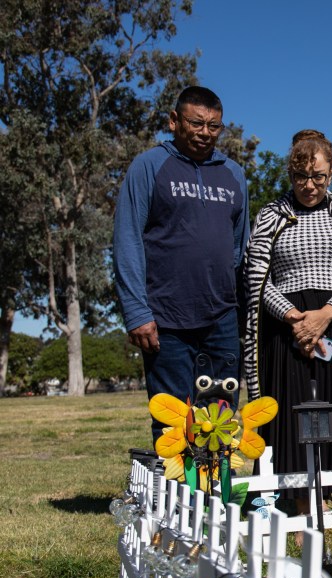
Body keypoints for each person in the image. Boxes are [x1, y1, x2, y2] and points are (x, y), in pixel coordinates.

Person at [243, 129, 332, 503]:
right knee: (290, 415)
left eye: (317, 176)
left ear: (331, 173)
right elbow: (256, 278)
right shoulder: (271, 216)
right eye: (301, 176)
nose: (309, 185)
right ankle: (293, 504)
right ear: (290, 174)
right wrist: (293, 317)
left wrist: (324, 314)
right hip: (286, 332)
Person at [113, 86, 249, 442]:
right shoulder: (149, 166)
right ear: (174, 121)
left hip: (221, 318)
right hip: (165, 318)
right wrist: (136, 312)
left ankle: (216, 494)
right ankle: (178, 496)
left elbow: (239, 248)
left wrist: (239, 308)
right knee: (173, 419)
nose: (205, 133)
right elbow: (127, 239)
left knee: (220, 417)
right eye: (196, 123)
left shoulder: (234, 174)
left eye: (214, 126)